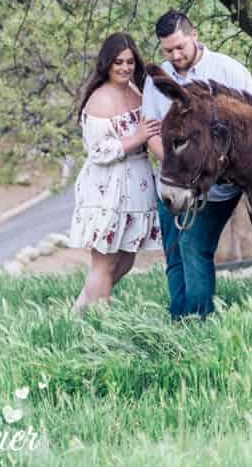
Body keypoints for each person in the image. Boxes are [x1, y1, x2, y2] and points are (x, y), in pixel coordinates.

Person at [142, 10, 252, 319]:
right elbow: (151, 131)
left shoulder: (229, 71)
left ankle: (198, 323)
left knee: (193, 246)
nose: (175, 55)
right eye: (168, 50)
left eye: (180, 47)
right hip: (171, 182)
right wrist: (179, 171)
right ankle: (179, 323)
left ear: (194, 35)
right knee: (175, 255)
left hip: (216, 188)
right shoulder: (158, 80)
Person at [68, 33, 162, 310]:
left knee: (126, 258)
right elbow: (98, 152)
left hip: (137, 184)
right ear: (107, 64)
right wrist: (138, 136)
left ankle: (81, 310)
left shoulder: (136, 91)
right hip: (109, 186)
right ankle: (98, 317)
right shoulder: (100, 99)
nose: (124, 68)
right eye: (118, 62)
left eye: (130, 62)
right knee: (105, 260)